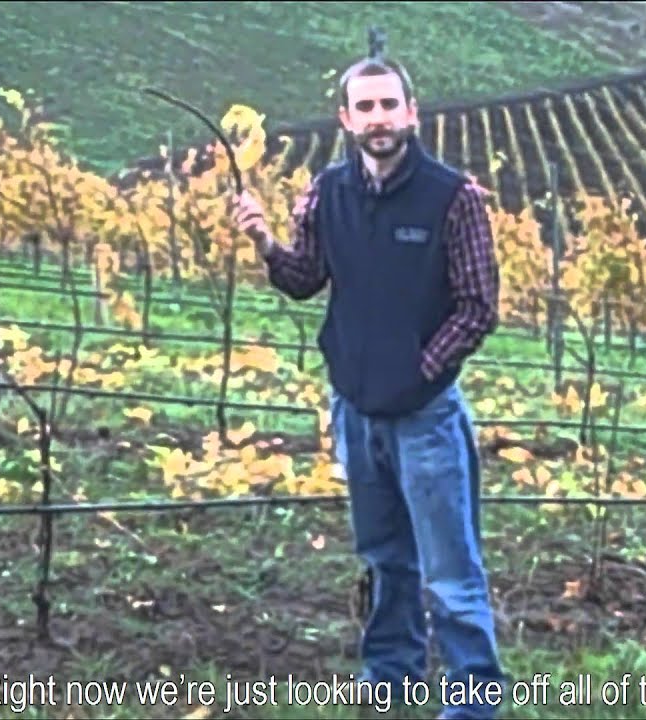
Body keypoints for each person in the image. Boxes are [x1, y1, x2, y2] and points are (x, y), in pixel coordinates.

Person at [230, 55, 507, 720]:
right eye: (366, 107)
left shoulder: (452, 198)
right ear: (346, 118)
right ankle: (393, 673)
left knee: (451, 568)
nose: (379, 118)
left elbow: (477, 306)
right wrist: (266, 241)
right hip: (355, 412)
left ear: (411, 113)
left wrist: (417, 372)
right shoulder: (329, 192)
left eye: (390, 105)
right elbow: (304, 279)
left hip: (425, 416)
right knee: (386, 555)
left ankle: (474, 700)